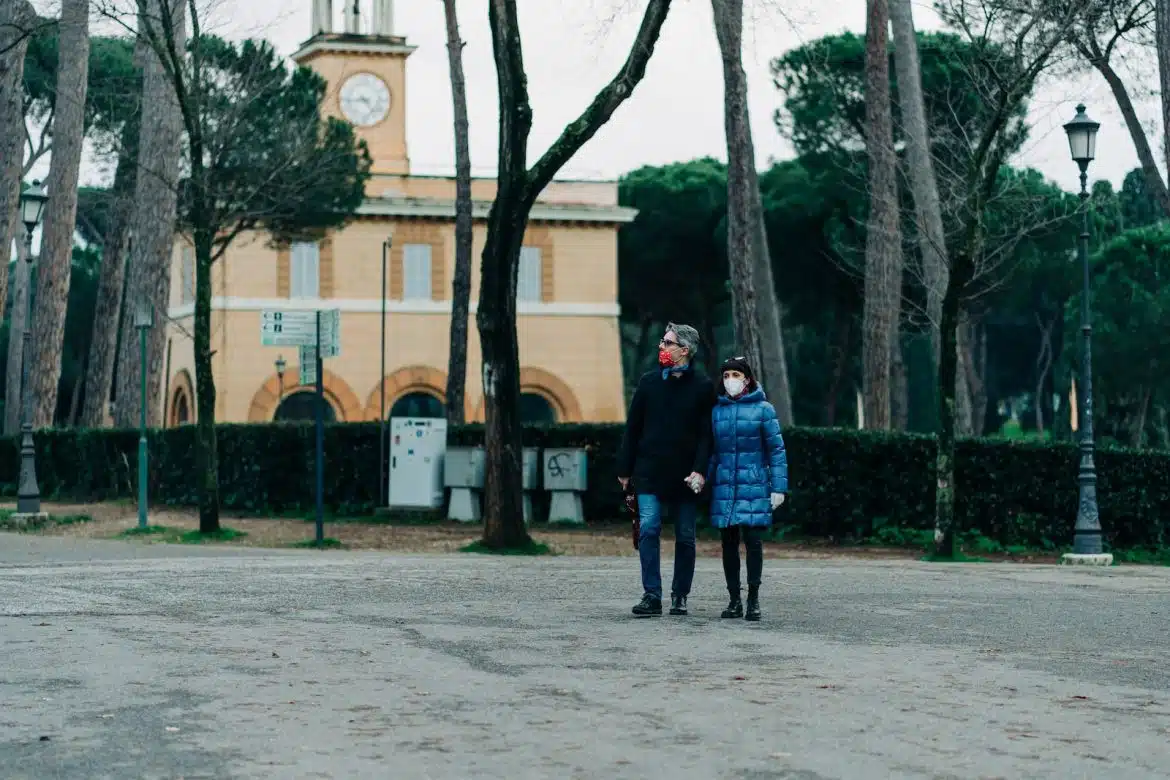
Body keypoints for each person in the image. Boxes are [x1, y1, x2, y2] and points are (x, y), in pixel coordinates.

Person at [616, 323, 715, 617]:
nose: (661, 347)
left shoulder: (702, 386)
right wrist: (625, 468)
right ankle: (652, 595)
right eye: (661, 341)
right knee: (648, 528)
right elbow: (632, 428)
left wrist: (700, 470)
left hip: (685, 475)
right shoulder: (648, 383)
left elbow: (706, 435)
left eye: (668, 343)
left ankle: (680, 595)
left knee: (685, 535)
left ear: (684, 350)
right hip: (648, 471)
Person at [708, 356, 788, 622]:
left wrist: (778, 487)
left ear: (747, 379)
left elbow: (776, 449)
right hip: (725, 485)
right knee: (728, 543)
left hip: (754, 483)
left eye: (736, 374)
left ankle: (753, 598)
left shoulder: (764, 409)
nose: (731, 380)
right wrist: (702, 477)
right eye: (727, 374)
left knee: (753, 542)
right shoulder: (716, 410)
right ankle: (734, 600)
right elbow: (712, 451)